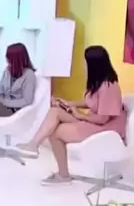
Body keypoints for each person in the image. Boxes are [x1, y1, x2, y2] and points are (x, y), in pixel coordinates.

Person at [17, 45, 127, 185]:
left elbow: (102, 119)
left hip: (107, 128)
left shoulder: (109, 86)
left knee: (56, 133)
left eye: (85, 61)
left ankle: (63, 174)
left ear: (94, 64)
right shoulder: (99, 82)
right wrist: (69, 103)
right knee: (55, 111)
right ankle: (33, 145)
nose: (83, 65)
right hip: (94, 121)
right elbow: (92, 102)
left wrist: (80, 115)